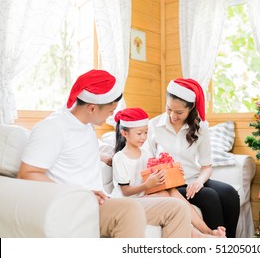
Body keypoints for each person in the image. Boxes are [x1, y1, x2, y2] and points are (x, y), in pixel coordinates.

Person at [17, 69, 192, 238]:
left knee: (177, 208)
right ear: (92, 108)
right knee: (130, 210)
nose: (111, 116)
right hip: (77, 205)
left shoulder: (85, 125)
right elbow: (27, 173)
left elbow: (73, 155)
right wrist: (80, 194)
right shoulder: (53, 127)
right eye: (110, 111)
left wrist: (105, 159)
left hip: (101, 202)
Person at [145, 78, 240, 238]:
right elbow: (146, 162)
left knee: (230, 194)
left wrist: (199, 182)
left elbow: (206, 166)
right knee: (210, 197)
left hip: (194, 179)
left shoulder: (200, 126)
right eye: (169, 109)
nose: (172, 116)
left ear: (191, 109)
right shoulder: (154, 125)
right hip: (171, 185)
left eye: (179, 112)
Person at [111, 107, 226, 238]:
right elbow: (125, 191)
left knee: (171, 191)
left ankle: (208, 231)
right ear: (124, 133)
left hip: (143, 196)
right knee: (167, 197)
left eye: (146, 133)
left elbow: (153, 171)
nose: (143, 137)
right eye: (139, 133)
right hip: (127, 201)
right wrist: (147, 185)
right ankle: (200, 236)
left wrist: (174, 171)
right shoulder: (119, 158)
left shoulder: (145, 152)